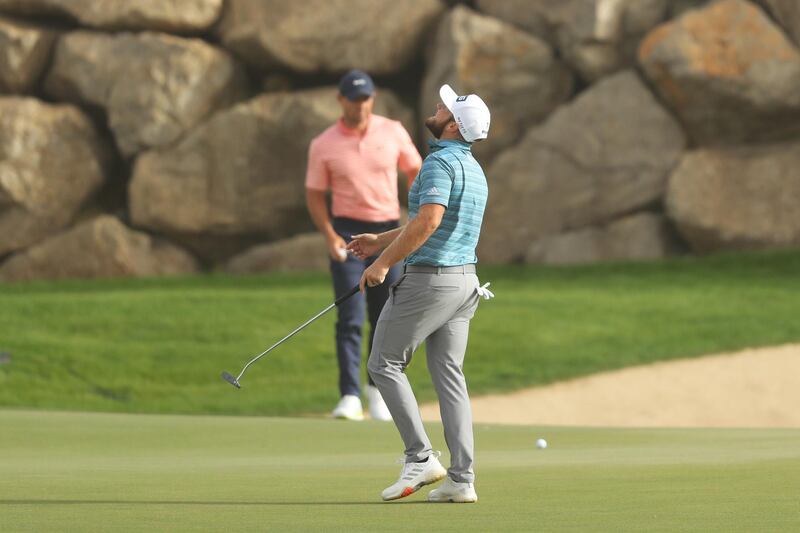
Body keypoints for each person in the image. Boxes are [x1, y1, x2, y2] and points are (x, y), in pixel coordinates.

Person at [347, 84, 493, 503]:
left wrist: (382, 264)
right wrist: (381, 241)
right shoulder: (472, 168)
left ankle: (420, 457)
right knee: (450, 377)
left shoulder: (438, 163)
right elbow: (433, 224)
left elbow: (428, 222)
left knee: (383, 364)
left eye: (445, 107)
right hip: (466, 283)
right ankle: (462, 480)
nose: (438, 106)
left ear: (451, 124)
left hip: (431, 281)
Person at [305, 69, 422, 421]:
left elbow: (416, 170)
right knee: (350, 316)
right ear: (341, 101)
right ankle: (349, 396)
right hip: (348, 234)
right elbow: (314, 194)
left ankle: (377, 393)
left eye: (366, 99)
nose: (361, 106)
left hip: (389, 232)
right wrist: (330, 236)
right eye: (354, 100)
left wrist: (411, 220)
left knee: (385, 316)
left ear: (372, 99)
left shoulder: (393, 131)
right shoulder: (323, 143)